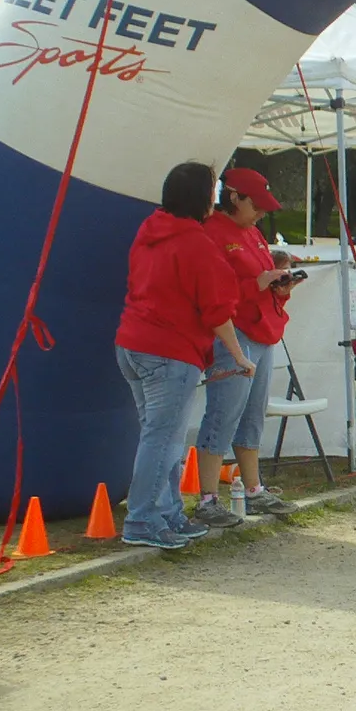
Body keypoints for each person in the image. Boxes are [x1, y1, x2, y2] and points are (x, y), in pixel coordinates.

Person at [115, 162, 255, 549]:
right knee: (163, 440)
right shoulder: (196, 244)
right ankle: (142, 520)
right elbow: (217, 311)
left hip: (132, 343)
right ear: (203, 200)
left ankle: (168, 514)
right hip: (168, 352)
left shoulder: (150, 229)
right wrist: (239, 356)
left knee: (162, 437)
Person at [191, 168, 300, 528]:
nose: (261, 213)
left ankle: (253, 489)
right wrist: (257, 283)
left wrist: (278, 288)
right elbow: (212, 291)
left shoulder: (251, 233)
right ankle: (207, 496)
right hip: (233, 333)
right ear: (233, 197)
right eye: (256, 204)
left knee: (252, 413)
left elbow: (256, 281)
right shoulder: (211, 233)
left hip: (262, 331)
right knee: (224, 411)